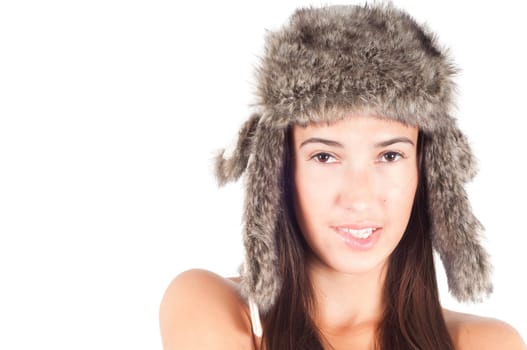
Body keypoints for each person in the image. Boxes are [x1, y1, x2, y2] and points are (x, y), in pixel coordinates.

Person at [159, 3, 527, 349]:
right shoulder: (209, 305)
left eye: (390, 154)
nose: (360, 198)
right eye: (324, 156)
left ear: (427, 169)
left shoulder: (485, 342)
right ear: (279, 168)